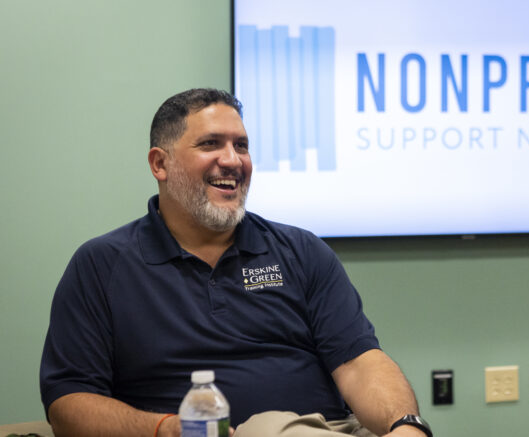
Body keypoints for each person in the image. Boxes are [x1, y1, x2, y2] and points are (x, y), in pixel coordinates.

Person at [39, 89, 432, 437]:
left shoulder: (301, 250)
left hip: (323, 428)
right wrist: (170, 429)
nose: (232, 161)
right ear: (160, 164)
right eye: (211, 144)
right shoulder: (102, 265)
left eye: (241, 146)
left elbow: (360, 363)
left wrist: (405, 425)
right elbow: (70, 404)